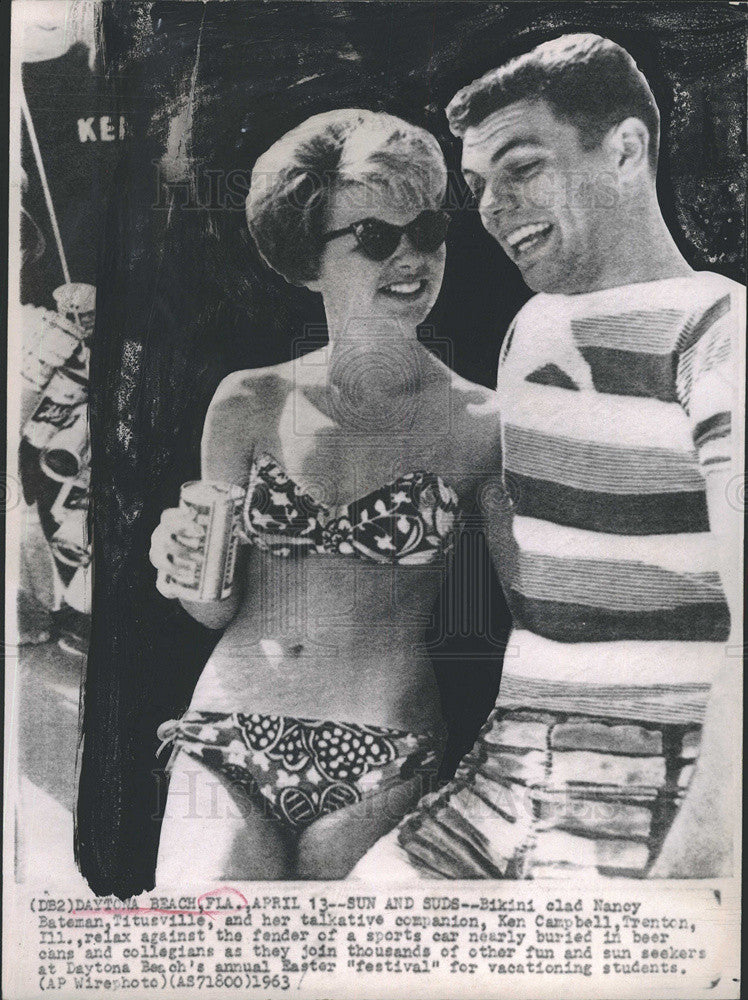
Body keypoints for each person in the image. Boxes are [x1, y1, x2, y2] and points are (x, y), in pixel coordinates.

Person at [351, 34, 743, 880]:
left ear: (626, 150)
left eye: (522, 168)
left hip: (658, 780)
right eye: (479, 186)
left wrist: (697, 880)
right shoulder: (532, 331)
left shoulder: (721, 336)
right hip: (510, 768)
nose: (492, 207)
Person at [148, 109, 503, 880]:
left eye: (430, 228)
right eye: (377, 237)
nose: (412, 255)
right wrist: (178, 565)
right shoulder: (249, 402)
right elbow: (212, 605)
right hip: (229, 736)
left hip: (385, 753)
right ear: (309, 259)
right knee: (207, 953)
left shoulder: (482, 424)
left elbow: (537, 611)